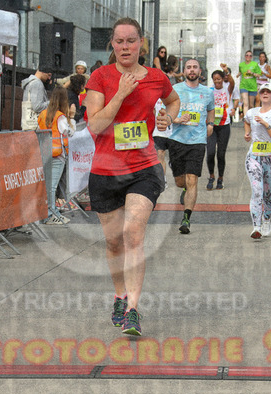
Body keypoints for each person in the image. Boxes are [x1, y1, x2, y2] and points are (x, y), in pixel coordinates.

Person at [84, 17, 180, 336]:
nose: (125, 47)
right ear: (112, 44)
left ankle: (133, 310)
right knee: (114, 243)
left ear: (141, 43)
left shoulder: (156, 77)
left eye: (131, 40)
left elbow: (173, 100)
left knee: (133, 235)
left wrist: (168, 117)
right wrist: (121, 94)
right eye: (119, 41)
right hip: (106, 170)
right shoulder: (100, 77)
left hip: (144, 168)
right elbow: (95, 125)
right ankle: (120, 296)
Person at [169, 58, 215, 234]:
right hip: (177, 139)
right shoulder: (175, 89)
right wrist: (176, 119)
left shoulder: (207, 92)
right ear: (184, 71)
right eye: (189, 67)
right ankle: (184, 188)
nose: (192, 70)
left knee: (192, 179)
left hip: (197, 141)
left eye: (195, 67)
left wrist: (210, 123)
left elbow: (211, 109)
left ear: (200, 71)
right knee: (180, 181)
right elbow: (166, 110)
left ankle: (186, 219)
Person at [244, 83, 271, 238]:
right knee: (257, 191)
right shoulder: (252, 112)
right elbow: (246, 120)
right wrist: (247, 133)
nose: (265, 94)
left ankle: (266, 219)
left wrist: (266, 124)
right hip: (254, 157)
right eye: (263, 91)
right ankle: (256, 227)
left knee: (267, 193)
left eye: (269, 92)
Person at [37, 87, 76, 225]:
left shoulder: (43, 114)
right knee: (52, 187)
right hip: (58, 155)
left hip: (44, 153)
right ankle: (50, 214)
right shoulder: (60, 117)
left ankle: (49, 213)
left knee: (47, 187)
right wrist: (72, 117)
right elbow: (69, 132)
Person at [206, 64, 234, 191]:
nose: (217, 81)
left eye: (219, 79)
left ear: (223, 79)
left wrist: (226, 71)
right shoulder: (209, 91)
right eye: (215, 79)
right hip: (212, 125)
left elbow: (232, 82)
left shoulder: (227, 89)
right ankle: (211, 176)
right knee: (210, 152)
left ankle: (220, 178)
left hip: (224, 125)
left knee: (221, 154)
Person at [236, 50, 262, 116]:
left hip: (252, 86)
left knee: (251, 105)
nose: (248, 57)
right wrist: (238, 74)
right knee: (246, 103)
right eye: (247, 55)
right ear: (245, 56)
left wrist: (252, 73)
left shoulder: (255, 64)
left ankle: (250, 118)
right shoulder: (241, 65)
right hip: (243, 86)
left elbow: (259, 75)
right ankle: (245, 118)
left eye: (250, 56)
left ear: (252, 57)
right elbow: (240, 71)